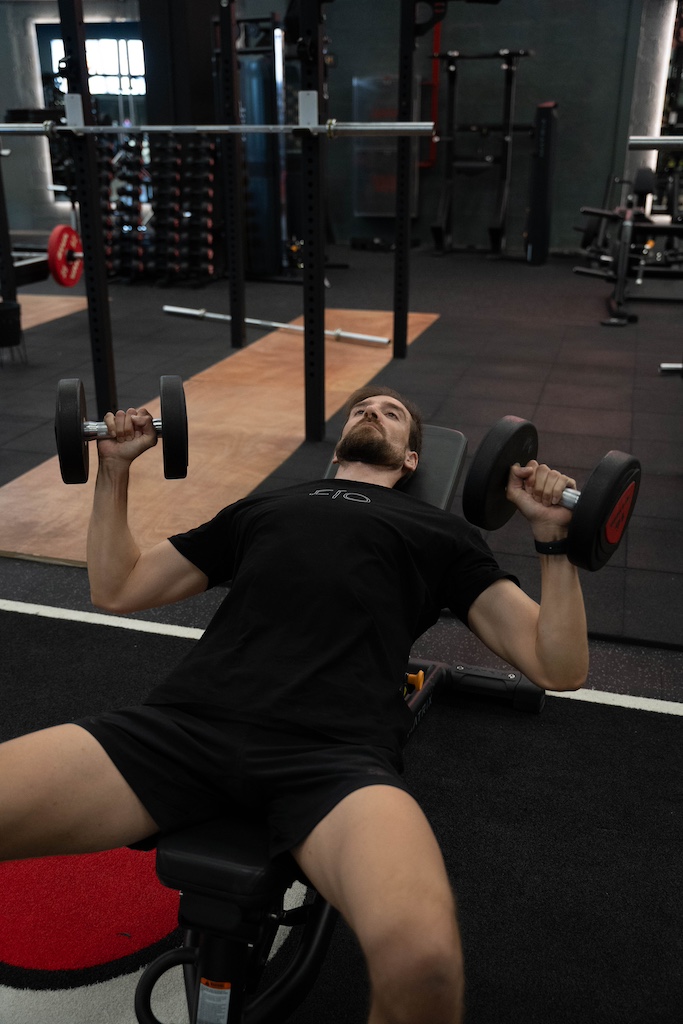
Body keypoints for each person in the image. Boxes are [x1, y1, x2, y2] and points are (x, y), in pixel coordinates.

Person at [0, 385, 589, 1024]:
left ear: (411, 459)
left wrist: (553, 538)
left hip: (335, 758)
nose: (372, 411)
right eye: (364, 406)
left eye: (392, 413)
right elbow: (117, 588)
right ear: (338, 443)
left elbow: (557, 666)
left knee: (426, 966)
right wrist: (113, 470)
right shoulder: (266, 506)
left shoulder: (442, 532)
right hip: (184, 728)